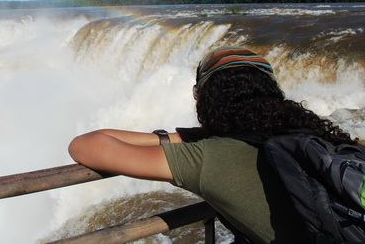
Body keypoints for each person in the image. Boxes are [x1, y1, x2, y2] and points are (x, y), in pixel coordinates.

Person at [69, 46, 356, 244]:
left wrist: (185, 137)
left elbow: (86, 145)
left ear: (204, 98)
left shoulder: (207, 158)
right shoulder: (313, 134)